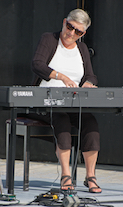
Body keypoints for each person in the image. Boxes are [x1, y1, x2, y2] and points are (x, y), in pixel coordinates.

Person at [31, 8, 102, 193]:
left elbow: (91, 76)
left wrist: (87, 84)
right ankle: (65, 175)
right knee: (61, 119)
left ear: (83, 34)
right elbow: (37, 64)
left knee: (90, 124)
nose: (71, 33)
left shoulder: (82, 48)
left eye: (77, 31)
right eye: (70, 27)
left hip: (72, 102)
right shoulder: (49, 39)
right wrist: (61, 77)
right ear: (64, 22)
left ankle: (91, 176)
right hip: (47, 102)